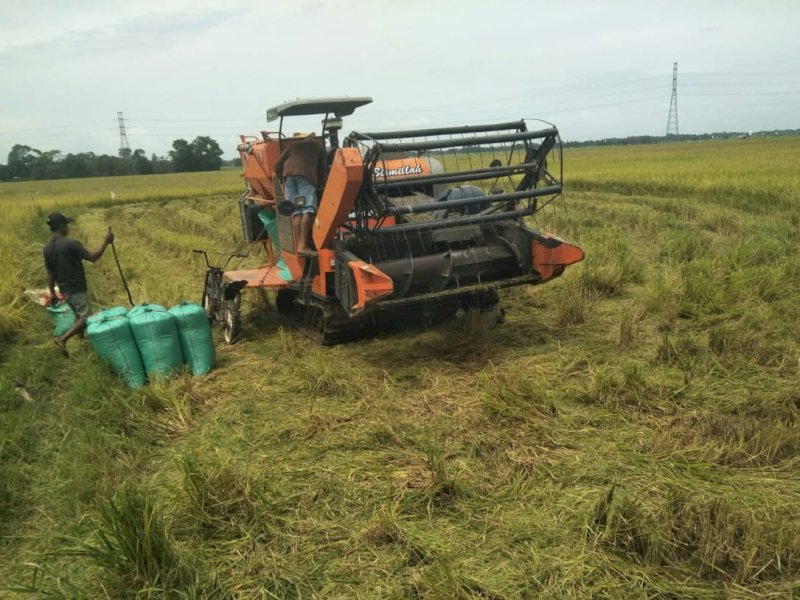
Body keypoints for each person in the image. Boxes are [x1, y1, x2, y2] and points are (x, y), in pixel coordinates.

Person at [43, 212, 114, 356]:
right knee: (86, 317)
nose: (67, 227)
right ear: (62, 226)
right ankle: (62, 339)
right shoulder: (71, 244)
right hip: (76, 287)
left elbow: (50, 273)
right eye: (66, 224)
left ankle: (83, 342)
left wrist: (52, 293)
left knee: (78, 314)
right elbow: (93, 257)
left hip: (64, 289)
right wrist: (106, 242)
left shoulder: (47, 248)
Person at [273, 132, 327, 257]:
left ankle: (299, 246)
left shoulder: (293, 146)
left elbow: (277, 165)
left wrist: (283, 179)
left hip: (288, 178)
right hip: (305, 177)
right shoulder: (318, 147)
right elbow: (322, 170)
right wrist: (321, 184)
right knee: (308, 209)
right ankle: (303, 246)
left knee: (296, 211)